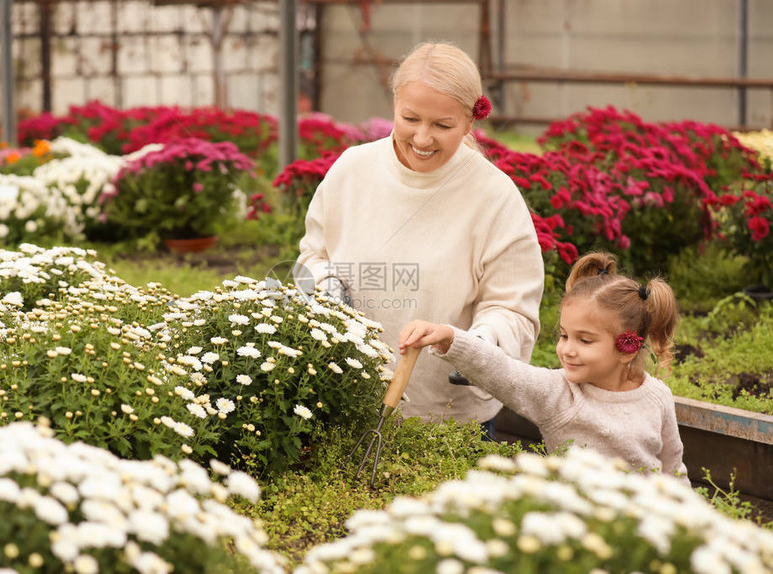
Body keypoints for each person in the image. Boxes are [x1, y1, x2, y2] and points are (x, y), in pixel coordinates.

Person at [296, 41, 544, 436]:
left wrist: (473, 345)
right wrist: (326, 284)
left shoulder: (494, 196)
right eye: (410, 118)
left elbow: (514, 311)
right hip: (345, 399)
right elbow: (313, 254)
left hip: (448, 419)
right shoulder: (352, 170)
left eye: (443, 126)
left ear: (469, 121)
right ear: (394, 102)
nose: (423, 138)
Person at [398, 252, 691, 485]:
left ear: (627, 347)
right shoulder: (560, 392)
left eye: (585, 340)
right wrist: (451, 337)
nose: (567, 349)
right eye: (564, 335)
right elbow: (503, 372)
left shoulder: (656, 396)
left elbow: (672, 469)